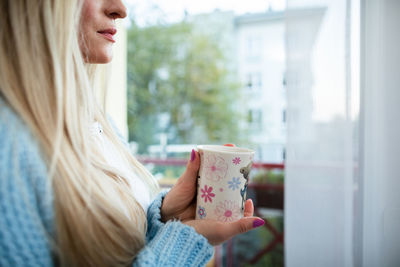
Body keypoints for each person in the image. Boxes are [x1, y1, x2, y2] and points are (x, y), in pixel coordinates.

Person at [0, 0, 265, 266]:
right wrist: (181, 246)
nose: (120, 9)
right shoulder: (8, 148)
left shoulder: (100, 123)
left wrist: (167, 215)